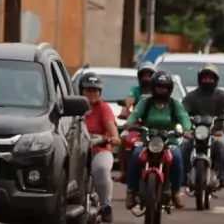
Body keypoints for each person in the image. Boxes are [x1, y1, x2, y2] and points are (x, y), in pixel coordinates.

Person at [124, 70, 191, 210]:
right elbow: (135, 114)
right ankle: (131, 191)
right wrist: (130, 123)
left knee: (177, 157)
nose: (161, 90)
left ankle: (176, 191)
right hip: (147, 140)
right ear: (153, 87)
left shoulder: (174, 104)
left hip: (169, 141)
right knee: (136, 155)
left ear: (169, 88)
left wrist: (186, 129)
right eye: (158, 86)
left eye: (164, 87)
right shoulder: (145, 102)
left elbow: (184, 117)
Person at [180, 63, 224, 188]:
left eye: (210, 78)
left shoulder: (222, 95)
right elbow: (182, 110)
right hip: (196, 131)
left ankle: (223, 176)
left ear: (215, 80)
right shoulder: (192, 96)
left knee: (221, 145)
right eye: (205, 78)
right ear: (200, 79)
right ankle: (182, 176)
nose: (207, 80)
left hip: (216, 132)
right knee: (184, 146)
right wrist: (181, 117)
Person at [78, 71, 119, 224]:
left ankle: (105, 206)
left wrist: (112, 137)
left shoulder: (104, 108)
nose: (92, 93)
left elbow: (111, 128)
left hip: (100, 150)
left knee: (101, 168)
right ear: (81, 90)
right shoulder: (75, 107)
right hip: (77, 150)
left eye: (95, 90)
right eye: (88, 89)